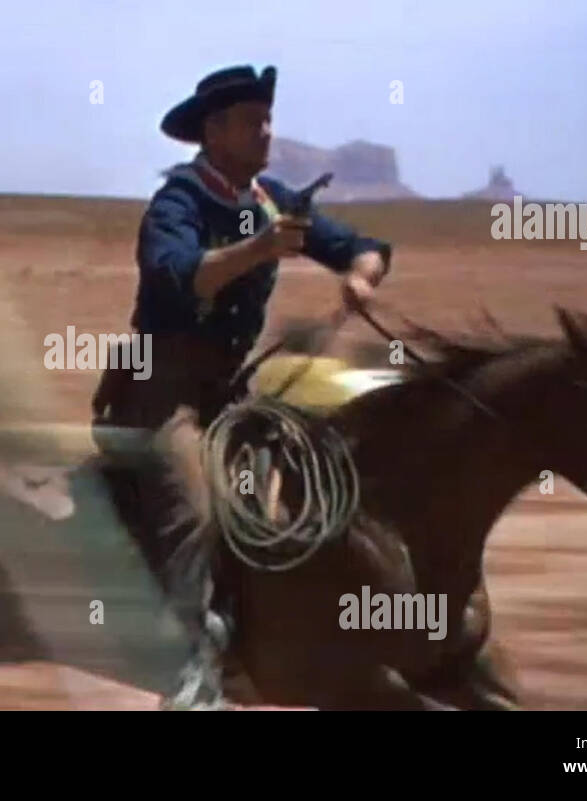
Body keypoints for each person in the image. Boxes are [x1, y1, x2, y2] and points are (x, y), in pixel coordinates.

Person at [90, 64, 392, 709]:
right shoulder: (177, 201)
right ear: (215, 130)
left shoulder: (272, 198)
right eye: (254, 122)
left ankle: (267, 646)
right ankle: (192, 674)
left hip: (228, 388)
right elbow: (179, 277)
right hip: (157, 385)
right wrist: (260, 249)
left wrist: (361, 278)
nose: (266, 132)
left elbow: (363, 248)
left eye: (267, 120)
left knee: (289, 501)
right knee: (198, 513)